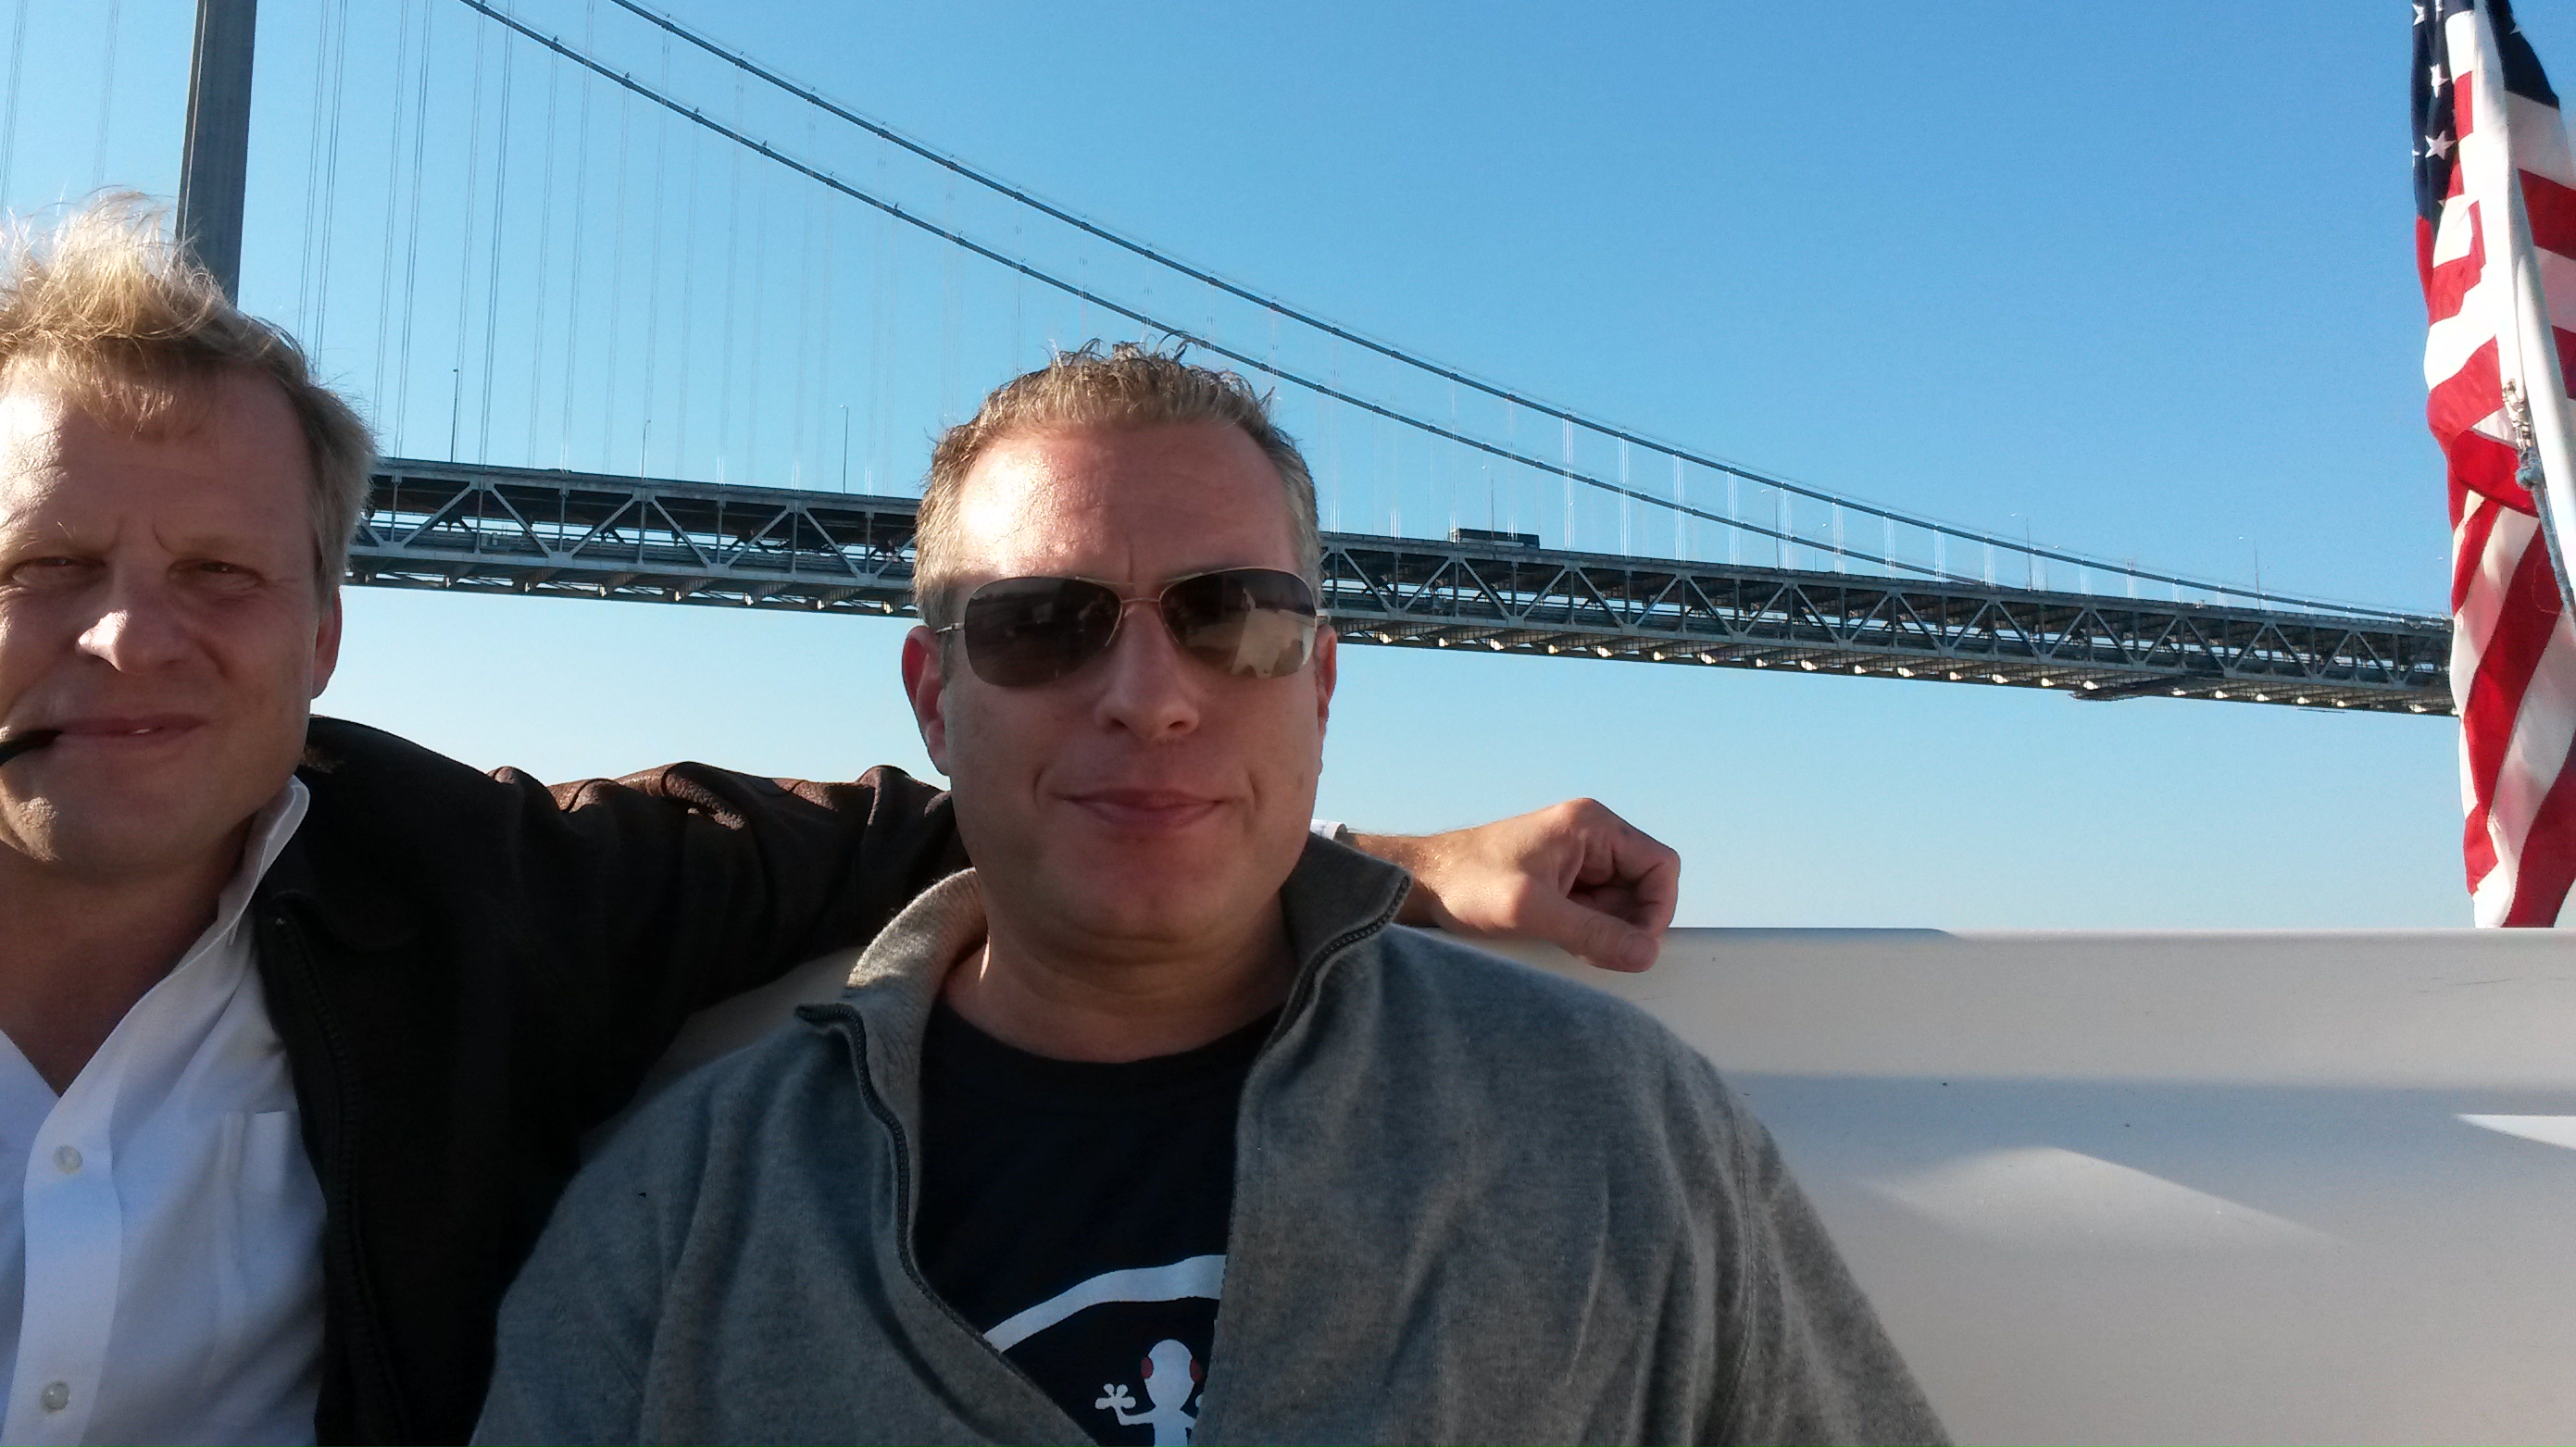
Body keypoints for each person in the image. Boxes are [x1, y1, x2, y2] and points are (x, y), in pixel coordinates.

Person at [0, 202, 1679, 1447]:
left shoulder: (484, 912)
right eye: (46, 569)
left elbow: (1003, 798)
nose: (132, 640)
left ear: (323, 637)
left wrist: (1406, 865)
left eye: (219, 575)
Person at [477, 344, 1945, 1446]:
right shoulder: (680, 1220)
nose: (1149, 697)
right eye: (1042, 624)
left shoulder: (1618, 1128)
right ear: (933, 699)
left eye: (1232, 619)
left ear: (1321, 685)